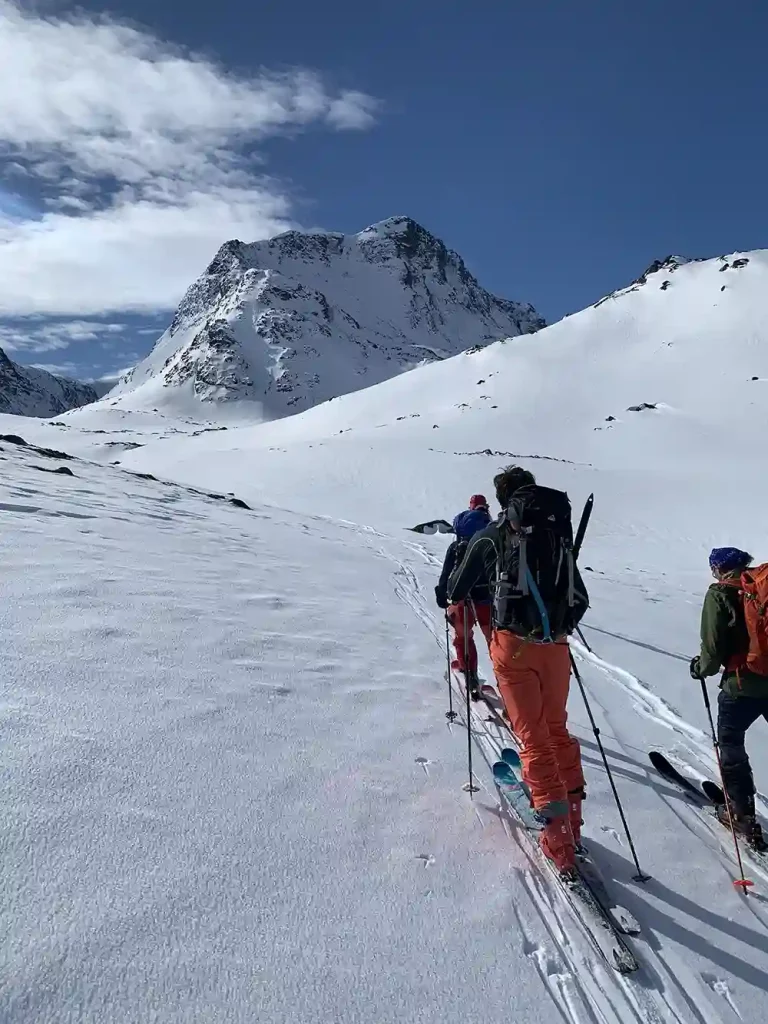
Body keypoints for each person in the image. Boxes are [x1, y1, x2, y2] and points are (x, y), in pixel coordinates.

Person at [446, 466, 588, 873]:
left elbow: (458, 587)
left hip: (513, 646)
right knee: (558, 730)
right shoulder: (556, 533)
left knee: (534, 739)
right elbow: (579, 594)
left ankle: (557, 839)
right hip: (556, 645)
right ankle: (573, 821)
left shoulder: (493, 535)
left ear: (503, 497)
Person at [690, 547, 768, 850]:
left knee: (731, 743)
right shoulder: (760, 587)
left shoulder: (720, 595)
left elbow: (712, 650)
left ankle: (742, 813)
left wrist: (700, 669)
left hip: (741, 686)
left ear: (719, 569)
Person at [435, 495, 493, 693]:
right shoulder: (492, 537)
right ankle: (508, 686)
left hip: (462, 597)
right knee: (496, 643)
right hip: (488, 599)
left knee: (463, 637)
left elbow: (447, 572)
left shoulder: (459, 542)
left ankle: (469, 675)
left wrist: (442, 593)